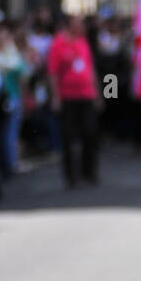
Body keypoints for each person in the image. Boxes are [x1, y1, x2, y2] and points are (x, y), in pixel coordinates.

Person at [48, 14, 99, 187]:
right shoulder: (58, 44)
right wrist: (55, 97)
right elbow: (53, 73)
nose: (81, 27)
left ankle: (89, 172)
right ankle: (71, 176)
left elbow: (90, 69)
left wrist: (98, 94)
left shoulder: (83, 42)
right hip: (68, 97)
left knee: (90, 133)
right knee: (68, 137)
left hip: (86, 95)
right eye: (77, 24)